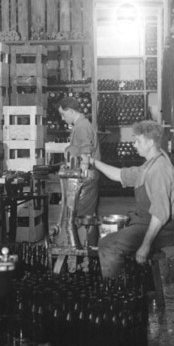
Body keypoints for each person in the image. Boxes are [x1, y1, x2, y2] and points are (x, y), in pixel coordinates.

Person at [92, 120, 174, 278]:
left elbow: (160, 214)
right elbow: (119, 175)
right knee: (112, 237)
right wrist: (93, 162)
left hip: (164, 230)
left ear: (149, 143)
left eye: (138, 141)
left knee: (108, 244)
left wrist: (145, 245)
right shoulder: (149, 165)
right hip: (147, 223)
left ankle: (116, 291)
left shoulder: (159, 170)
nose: (134, 145)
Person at [58, 96, 100, 246]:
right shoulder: (80, 125)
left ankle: (86, 251)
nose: (63, 119)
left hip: (85, 179)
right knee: (83, 215)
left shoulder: (82, 126)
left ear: (70, 111)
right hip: (86, 178)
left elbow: (86, 153)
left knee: (83, 217)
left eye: (63, 114)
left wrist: (81, 176)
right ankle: (85, 248)